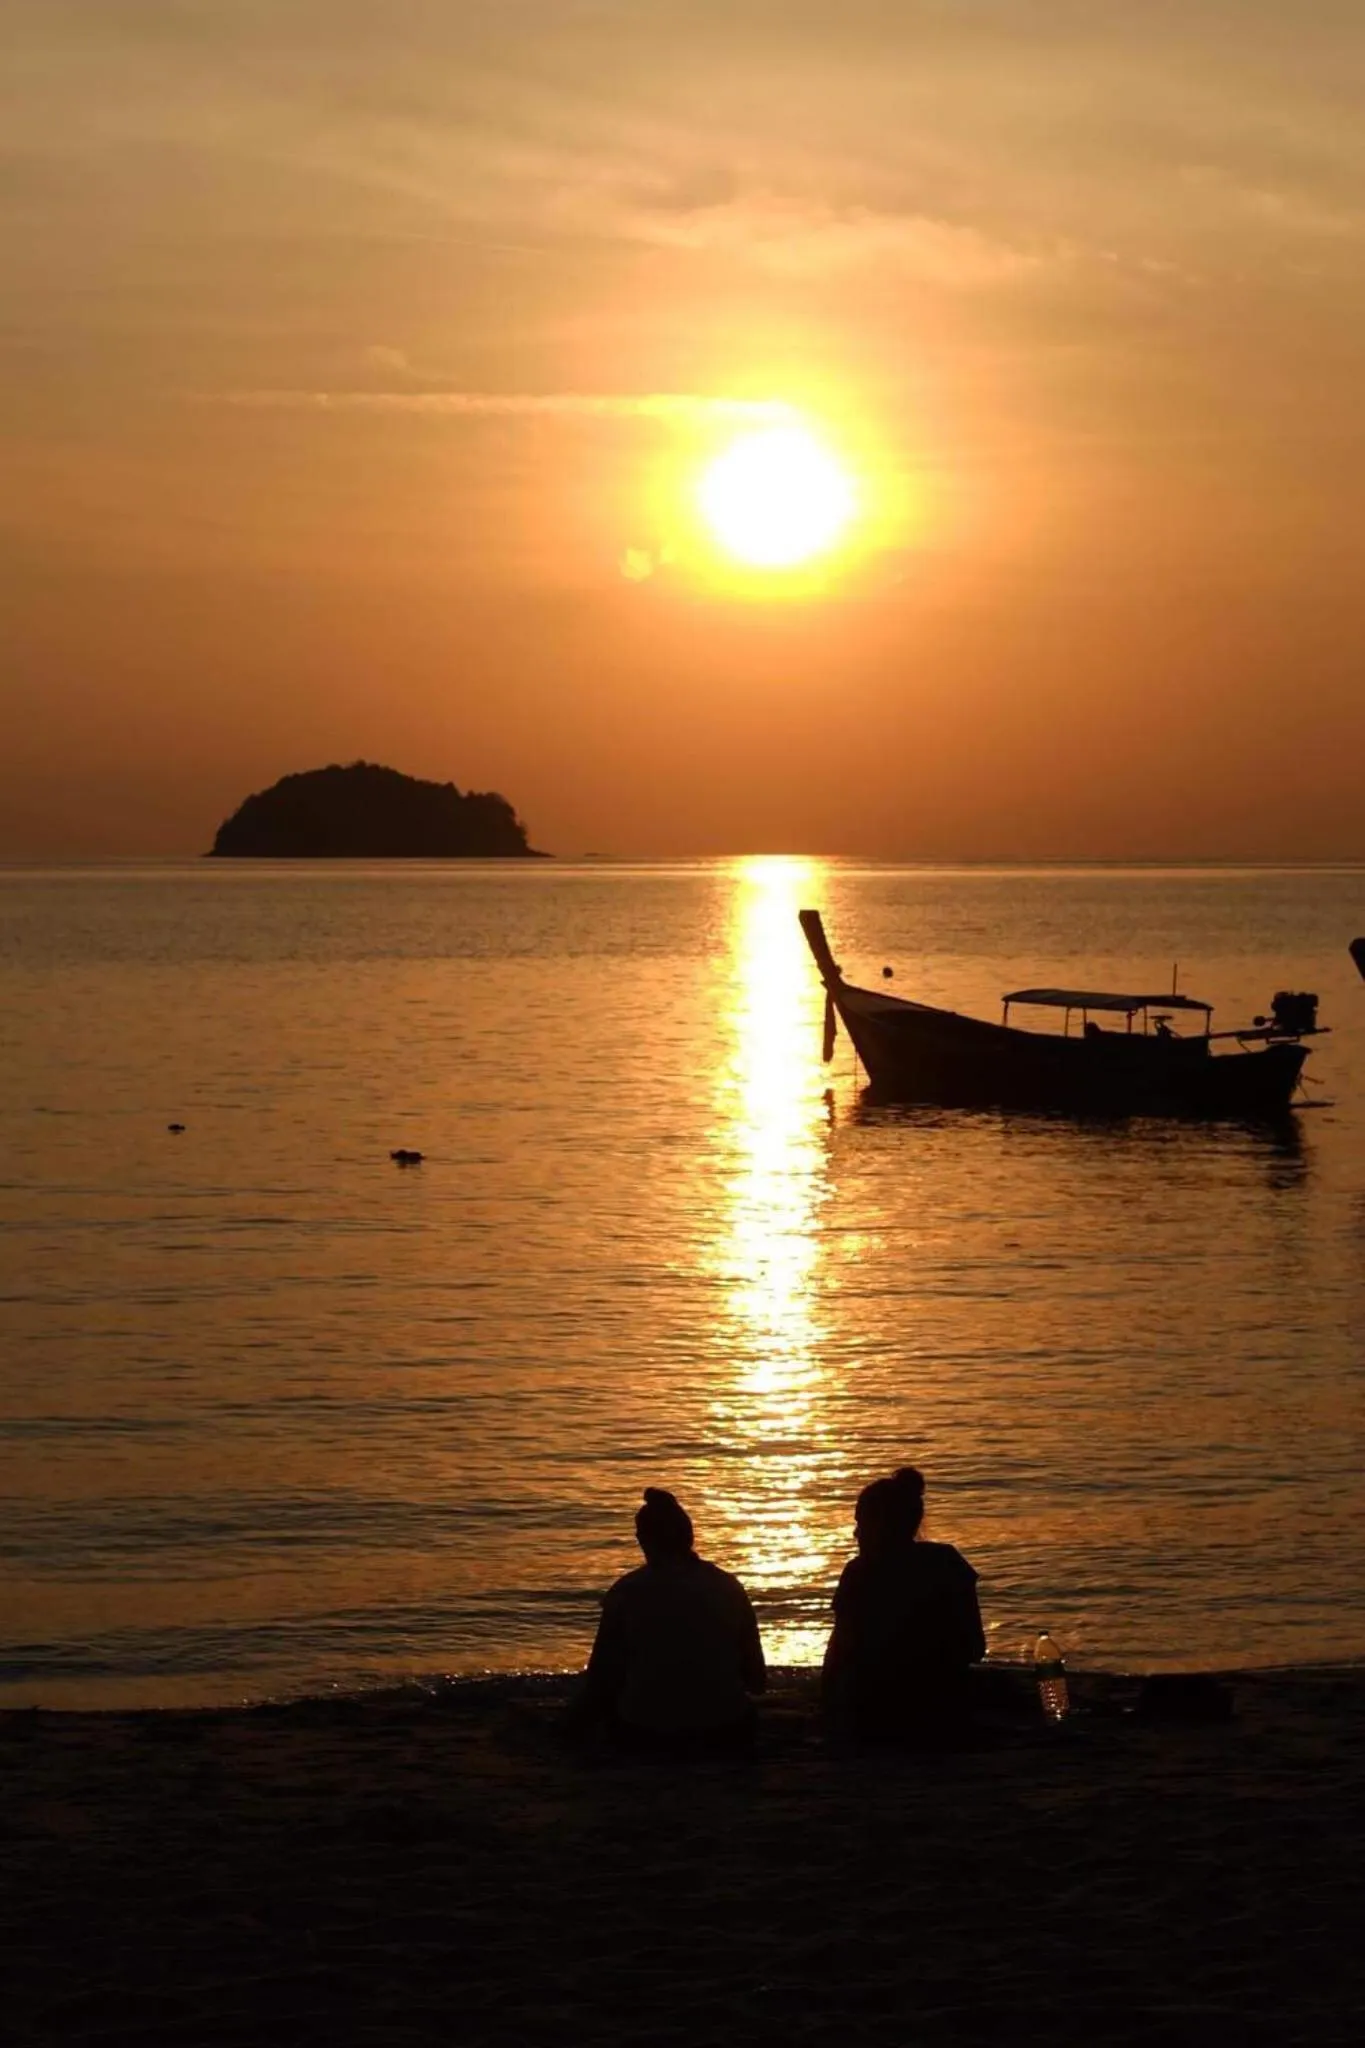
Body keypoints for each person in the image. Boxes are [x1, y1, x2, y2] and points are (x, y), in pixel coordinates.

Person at [576, 1488, 766, 1754]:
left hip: (647, 1731)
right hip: (725, 1728)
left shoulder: (627, 1591)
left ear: (643, 1539)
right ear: (689, 1536)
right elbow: (757, 1680)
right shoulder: (729, 1586)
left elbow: (601, 1679)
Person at [821, 1466, 984, 1745]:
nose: (855, 1534)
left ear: (881, 1526)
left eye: (861, 1523)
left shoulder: (860, 1572)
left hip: (875, 1713)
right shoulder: (948, 1562)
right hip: (944, 1709)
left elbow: (838, 1656)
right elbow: (975, 1647)